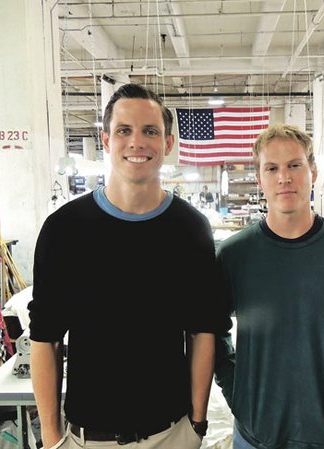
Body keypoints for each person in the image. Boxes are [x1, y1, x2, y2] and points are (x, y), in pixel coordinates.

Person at [28, 83, 228, 449]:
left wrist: (196, 424)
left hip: (171, 435)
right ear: (106, 140)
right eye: (124, 130)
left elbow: (202, 331)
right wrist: (51, 436)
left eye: (150, 131)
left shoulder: (190, 229)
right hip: (89, 438)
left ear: (168, 143)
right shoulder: (64, 229)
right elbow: (45, 338)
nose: (137, 142)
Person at [214, 124, 324, 449]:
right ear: (260, 179)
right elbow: (211, 332)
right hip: (254, 434)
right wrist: (235, 390)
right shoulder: (233, 256)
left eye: (294, 165)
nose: (284, 177)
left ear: (313, 171)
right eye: (272, 168)